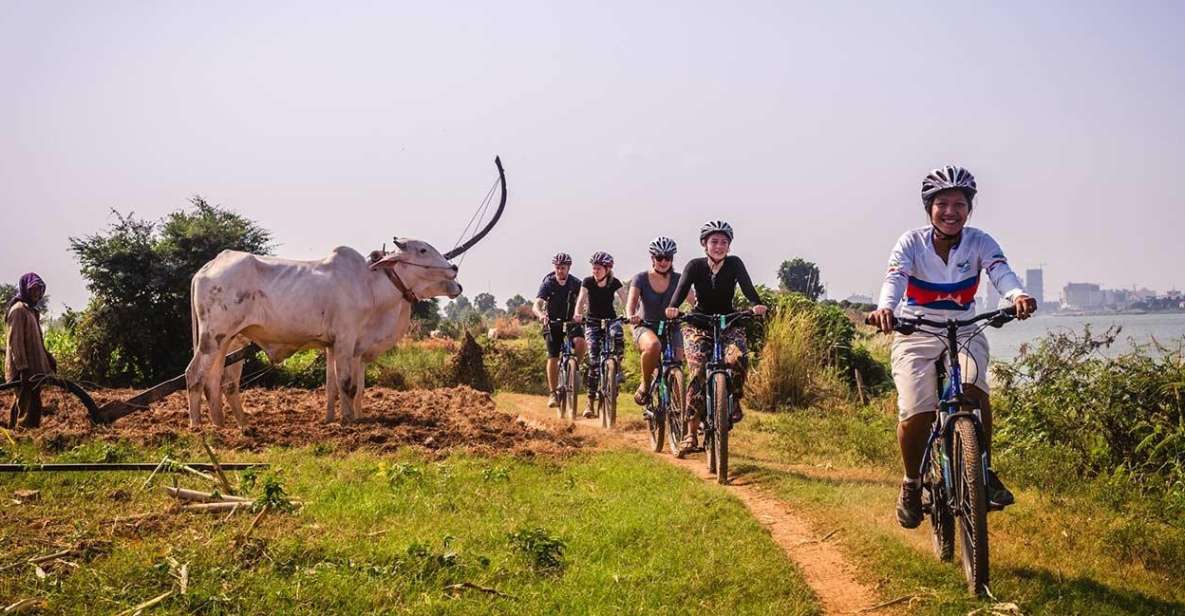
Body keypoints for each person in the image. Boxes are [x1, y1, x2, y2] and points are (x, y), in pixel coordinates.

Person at [867, 165, 1036, 529]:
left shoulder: (980, 241)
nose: (950, 211)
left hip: (965, 327)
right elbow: (895, 278)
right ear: (929, 208)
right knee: (916, 411)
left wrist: (1017, 294)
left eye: (959, 204)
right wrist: (886, 309)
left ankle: (984, 471)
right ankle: (912, 484)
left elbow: (1000, 270)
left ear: (969, 208)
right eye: (942, 203)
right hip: (917, 329)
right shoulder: (911, 242)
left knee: (975, 389)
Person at [666, 221, 767, 456]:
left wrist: (756, 305)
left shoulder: (735, 264)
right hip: (698, 324)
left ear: (729, 246)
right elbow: (680, 292)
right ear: (704, 244)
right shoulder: (694, 266)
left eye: (724, 242)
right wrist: (672, 308)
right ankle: (690, 433)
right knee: (698, 370)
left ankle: (733, 399)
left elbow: (749, 289)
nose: (719, 246)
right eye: (714, 241)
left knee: (738, 358)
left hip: (729, 322)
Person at [626, 236, 694, 407]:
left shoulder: (679, 279)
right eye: (659, 257)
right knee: (653, 346)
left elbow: (695, 301)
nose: (663, 262)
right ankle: (646, 384)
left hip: (672, 327)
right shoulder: (640, 278)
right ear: (652, 258)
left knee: (677, 366)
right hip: (646, 326)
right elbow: (631, 303)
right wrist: (631, 315)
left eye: (668, 258)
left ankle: (679, 415)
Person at [574, 251, 628, 418]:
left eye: (598, 268)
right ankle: (590, 402)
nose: (595, 271)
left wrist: (630, 313)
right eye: (593, 268)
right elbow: (581, 299)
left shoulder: (614, 282)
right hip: (592, 321)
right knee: (595, 362)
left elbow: (626, 299)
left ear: (607, 269)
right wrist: (577, 313)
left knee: (617, 334)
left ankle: (616, 369)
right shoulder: (588, 282)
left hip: (611, 319)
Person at [532, 253, 587, 408]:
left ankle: (575, 368)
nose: (560, 271)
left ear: (568, 268)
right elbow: (536, 305)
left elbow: (585, 301)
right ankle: (553, 393)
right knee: (553, 357)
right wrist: (541, 315)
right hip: (552, 323)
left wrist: (582, 313)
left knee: (581, 343)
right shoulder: (548, 284)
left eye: (563, 268)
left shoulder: (576, 283)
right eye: (557, 267)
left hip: (571, 321)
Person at [5, 273, 56, 429]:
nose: (37, 293)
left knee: (22, 403)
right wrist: (23, 369)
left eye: (40, 290)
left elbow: (37, 341)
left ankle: (14, 432)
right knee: (30, 409)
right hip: (24, 371)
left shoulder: (31, 311)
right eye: (34, 289)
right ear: (25, 290)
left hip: (32, 370)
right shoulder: (18, 311)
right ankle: (25, 439)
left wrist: (48, 358)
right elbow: (16, 343)